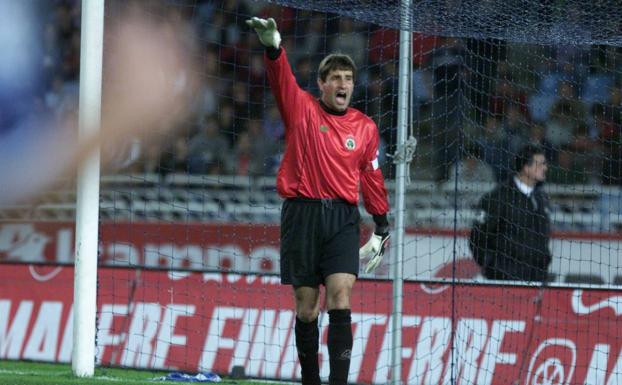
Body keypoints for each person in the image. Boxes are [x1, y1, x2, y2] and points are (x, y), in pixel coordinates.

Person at [246, 17, 390, 385]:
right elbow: (283, 82)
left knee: (342, 295)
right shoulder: (303, 111)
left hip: (343, 219)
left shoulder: (366, 128)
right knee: (307, 308)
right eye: (336, 78)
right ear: (322, 85)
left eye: (348, 79)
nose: (343, 84)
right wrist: (274, 49)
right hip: (302, 215)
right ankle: (311, 379)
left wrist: (382, 224)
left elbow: (371, 176)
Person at [469, 144, 552, 282]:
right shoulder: (497, 197)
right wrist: (494, 267)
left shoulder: (541, 199)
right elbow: (477, 238)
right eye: (541, 164)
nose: (545, 168)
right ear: (526, 167)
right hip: (504, 281)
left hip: (536, 279)